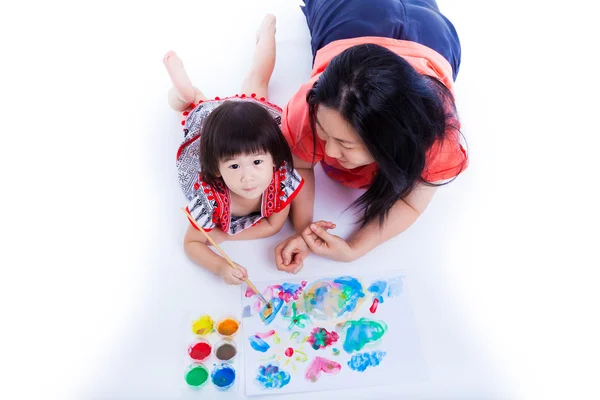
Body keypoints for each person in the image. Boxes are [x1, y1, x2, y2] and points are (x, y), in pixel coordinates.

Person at [275, 0, 468, 273]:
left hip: (429, 33)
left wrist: (355, 248)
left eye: (345, 143)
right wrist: (305, 229)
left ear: (392, 141)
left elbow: (411, 203)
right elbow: (301, 164)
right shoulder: (311, 106)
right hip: (351, 13)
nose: (328, 152)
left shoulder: (437, 142)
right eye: (324, 131)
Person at [164, 14, 304, 284]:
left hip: (249, 123)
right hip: (211, 131)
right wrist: (219, 267)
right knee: (196, 106)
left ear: (273, 160)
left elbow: (274, 225)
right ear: (217, 168)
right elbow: (191, 244)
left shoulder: (280, 180)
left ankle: (268, 33)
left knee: (258, 79)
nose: (248, 176)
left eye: (257, 163)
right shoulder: (208, 198)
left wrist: (225, 236)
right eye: (234, 166)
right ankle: (184, 93)